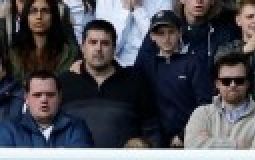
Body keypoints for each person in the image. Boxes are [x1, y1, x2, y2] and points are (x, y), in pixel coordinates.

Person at [59, 18, 160, 148]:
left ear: (114, 49)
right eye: (93, 42)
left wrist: (148, 156)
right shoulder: (64, 83)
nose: (98, 49)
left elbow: (152, 129)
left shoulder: (135, 82)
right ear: (83, 47)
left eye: (105, 43)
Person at [136, 9, 208, 149]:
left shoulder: (194, 62)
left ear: (180, 33)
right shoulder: (146, 64)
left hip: (190, 138)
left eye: (171, 32)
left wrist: (184, 134)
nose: (166, 38)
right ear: (151, 36)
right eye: (160, 33)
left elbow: (204, 103)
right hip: (155, 140)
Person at [9, 0, 78, 82]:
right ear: (26, 16)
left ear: (53, 16)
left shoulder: (69, 52)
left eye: (45, 11)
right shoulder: (14, 52)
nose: (39, 17)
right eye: (33, 11)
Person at [95, 0, 173, 67]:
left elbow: (161, 44)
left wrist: (138, 9)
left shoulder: (163, 1)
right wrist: (126, 10)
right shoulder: (105, 2)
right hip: (114, 68)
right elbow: (109, 48)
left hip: (152, 65)